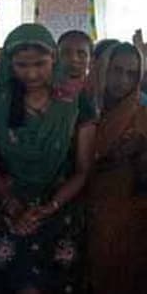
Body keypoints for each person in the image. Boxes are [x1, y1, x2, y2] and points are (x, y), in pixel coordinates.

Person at [0, 24, 97, 294]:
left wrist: (50, 207)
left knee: (58, 281)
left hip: (61, 206)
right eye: (21, 65)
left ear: (54, 58)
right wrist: (11, 204)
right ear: (9, 63)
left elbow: (83, 168)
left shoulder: (77, 102)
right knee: (11, 280)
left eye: (40, 64)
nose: (31, 73)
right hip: (9, 207)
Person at [85, 42, 147, 293]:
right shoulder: (79, 105)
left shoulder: (141, 114)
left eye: (132, 74)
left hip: (125, 211)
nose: (123, 80)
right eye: (116, 70)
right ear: (102, 68)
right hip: (77, 204)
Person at [57, 30, 93, 96]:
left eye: (81, 54)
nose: (74, 59)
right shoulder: (47, 90)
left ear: (91, 60)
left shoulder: (96, 91)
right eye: (66, 53)